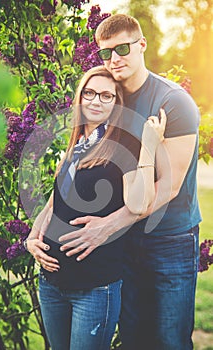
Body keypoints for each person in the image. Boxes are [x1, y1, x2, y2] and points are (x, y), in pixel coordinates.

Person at [52, 14, 201, 350]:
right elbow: (75, 159)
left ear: (141, 45)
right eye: (105, 53)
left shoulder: (173, 102)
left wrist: (107, 225)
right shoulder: (106, 96)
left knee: (169, 339)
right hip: (126, 240)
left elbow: (170, 185)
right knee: (132, 337)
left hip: (170, 238)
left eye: (122, 48)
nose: (114, 59)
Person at [24, 65, 166, 350]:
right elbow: (55, 201)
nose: (96, 100)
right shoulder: (77, 142)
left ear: (116, 104)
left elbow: (138, 204)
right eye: (89, 93)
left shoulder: (122, 144)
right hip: (51, 283)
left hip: (94, 287)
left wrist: (149, 145)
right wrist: (32, 237)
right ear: (80, 98)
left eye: (106, 95)